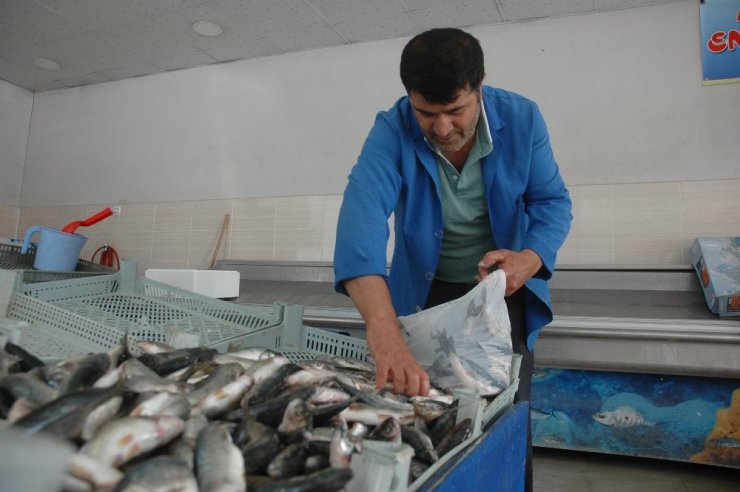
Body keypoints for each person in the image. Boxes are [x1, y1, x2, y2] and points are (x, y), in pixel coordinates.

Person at [333, 28, 572, 491]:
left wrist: (529, 257)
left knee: (503, 417)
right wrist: (382, 329)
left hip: (503, 292)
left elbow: (552, 202)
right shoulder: (392, 128)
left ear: (480, 85)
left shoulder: (522, 119)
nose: (441, 129)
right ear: (409, 99)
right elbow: (359, 221)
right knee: (422, 414)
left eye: (455, 111)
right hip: (426, 294)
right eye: (426, 113)